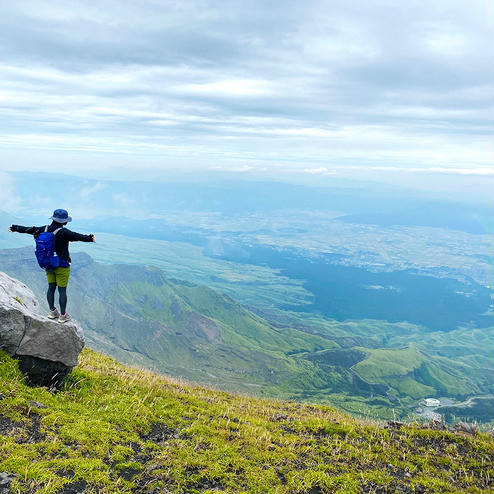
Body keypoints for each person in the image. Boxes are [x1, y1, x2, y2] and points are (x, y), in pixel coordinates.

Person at [8, 209, 95, 323]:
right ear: (64, 221)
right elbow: (77, 236)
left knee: (51, 288)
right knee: (62, 290)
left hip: (48, 264)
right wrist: (90, 238)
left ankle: (52, 312)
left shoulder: (43, 229)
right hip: (62, 265)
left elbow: (29, 229)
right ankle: (63, 316)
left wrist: (14, 228)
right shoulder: (64, 232)